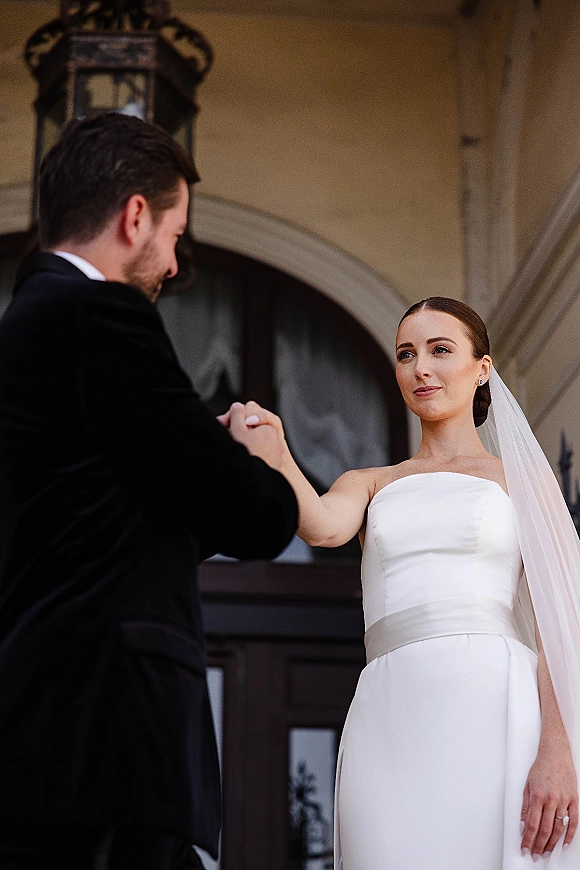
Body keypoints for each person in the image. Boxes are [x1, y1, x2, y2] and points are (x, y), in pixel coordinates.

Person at [0, 113, 297, 870]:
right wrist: (253, 458)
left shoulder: (23, 332)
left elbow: (100, 520)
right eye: (174, 235)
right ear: (137, 216)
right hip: (104, 741)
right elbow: (257, 518)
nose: (172, 262)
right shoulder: (99, 316)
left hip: (39, 739)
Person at [235, 296, 580, 869]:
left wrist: (558, 752)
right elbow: (321, 527)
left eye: (440, 350)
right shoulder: (369, 482)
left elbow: (560, 627)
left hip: (497, 704)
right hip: (391, 709)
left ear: (482, 369)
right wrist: (278, 456)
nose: (420, 367)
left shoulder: (521, 481)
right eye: (405, 354)